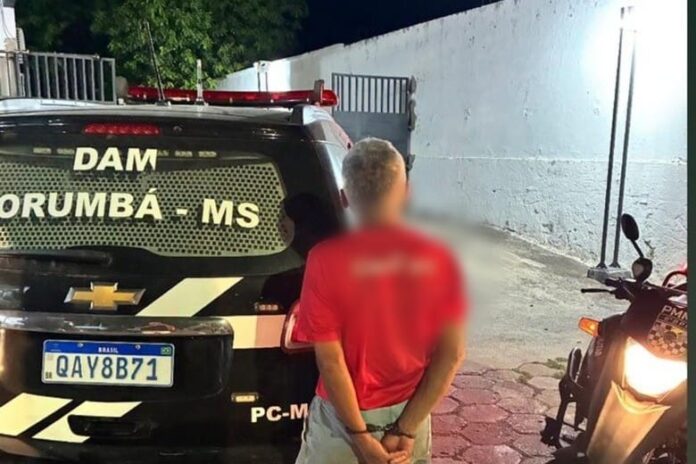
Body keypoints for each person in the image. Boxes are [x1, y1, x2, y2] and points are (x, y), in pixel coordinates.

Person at [293, 137, 467, 464]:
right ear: (407, 192)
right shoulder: (440, 258)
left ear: (344, 198)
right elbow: (452, 353)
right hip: (409, 416)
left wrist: (360, 438)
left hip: (342, 425)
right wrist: (406, 429)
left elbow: (331, 362)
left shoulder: (325, 260)